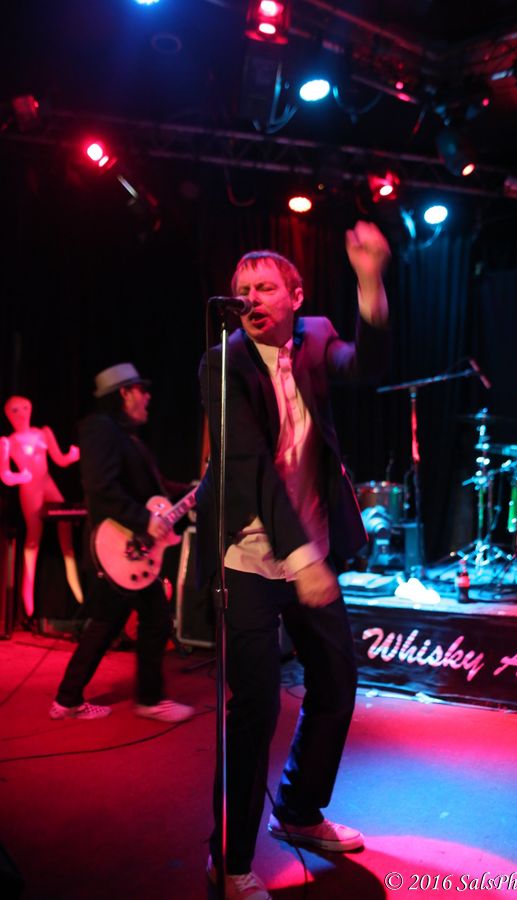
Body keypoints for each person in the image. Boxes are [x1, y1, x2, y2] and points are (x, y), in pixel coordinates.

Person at [196, 221, 390, 899]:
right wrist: (302, 558)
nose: (253, 297)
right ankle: (229, 860)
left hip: (311, 548)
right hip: (248, 555)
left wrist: (370, 281)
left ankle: (300, 811)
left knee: (336, 681)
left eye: (266, 287)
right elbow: (250, 467)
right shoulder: (222, 363)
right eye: (243, 289)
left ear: (295, 296)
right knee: (254, 708)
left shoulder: (316, 336)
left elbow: (366, 366)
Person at [50, 363, 194, 723]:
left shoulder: (127, 437)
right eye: (141, 390)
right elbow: (102, 490)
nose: (148, 397)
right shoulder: (101, 429)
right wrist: (146, 521)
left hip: (129, 549)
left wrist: (193, 491)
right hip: (119, 547)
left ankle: (67, 700)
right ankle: (148, 699)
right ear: (124, 393)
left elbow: (153, 489)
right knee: (150, 619)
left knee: (108, 623)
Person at [3, 395, 83, 622]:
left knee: (65, 523)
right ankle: (27, 597)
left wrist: (72, 456)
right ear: (8, 415)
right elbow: (5, 474)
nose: (21, 413)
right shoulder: (8, 442)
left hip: (48, 484)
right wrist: (19, 477)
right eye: (15, 410)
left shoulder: (43, 433)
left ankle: (76, 585)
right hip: (30, 489)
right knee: (33, 538)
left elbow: (59, 459)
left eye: (24, 408)